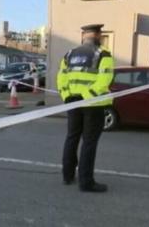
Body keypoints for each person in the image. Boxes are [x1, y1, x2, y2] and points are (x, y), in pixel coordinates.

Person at [57, 24, 114, 193]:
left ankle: (67, 176)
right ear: (98, 35)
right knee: (89, 142)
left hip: (73, 102)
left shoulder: (69, 54)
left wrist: (67, 96)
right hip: (92, 104)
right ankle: (86, 182)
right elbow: (105, 80)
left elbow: (61, 78)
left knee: (72, 137)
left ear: (83, 36)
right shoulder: (103, 54)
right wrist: (87, 96)